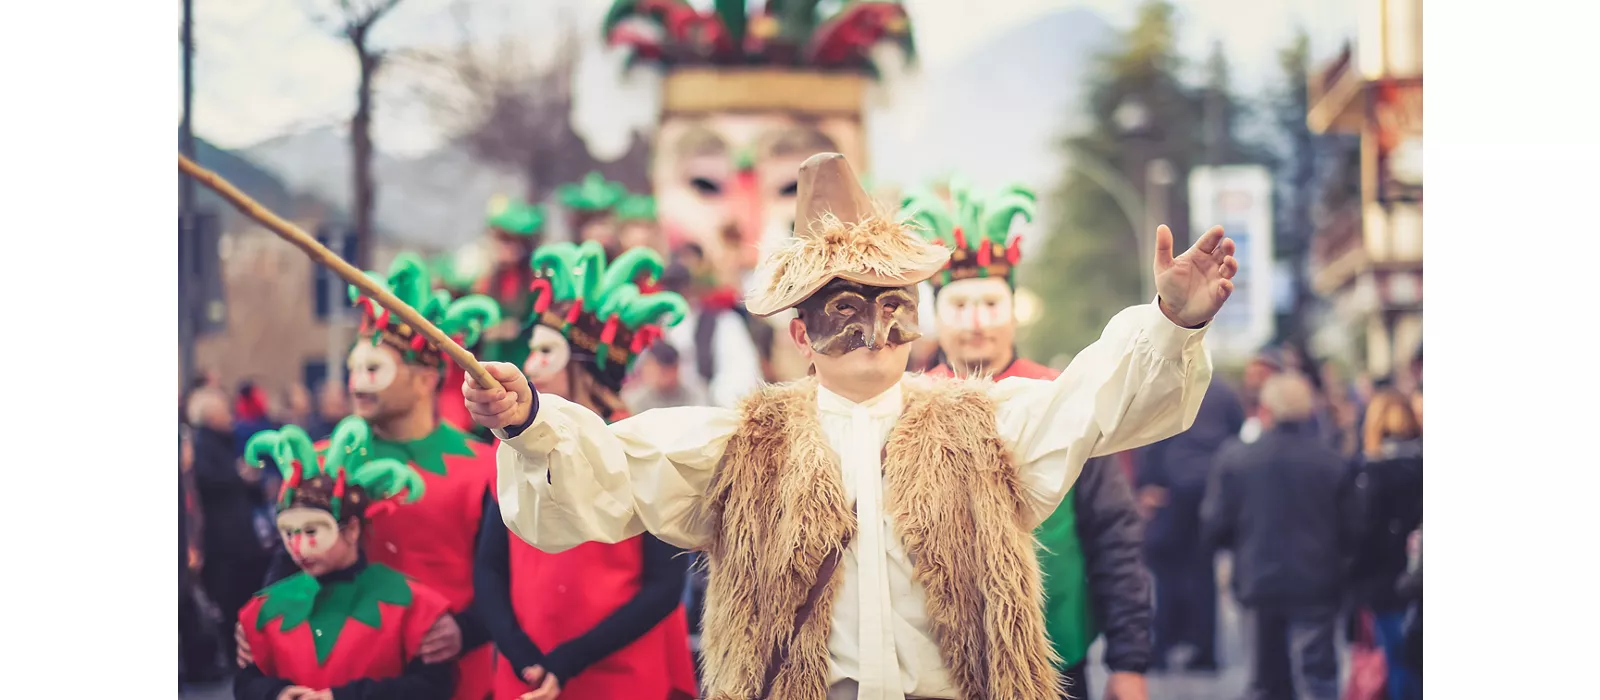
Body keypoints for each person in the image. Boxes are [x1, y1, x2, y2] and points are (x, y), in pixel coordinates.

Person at [465, 152, 1233, 700]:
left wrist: (1169, 323)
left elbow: (1092, 402)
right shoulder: (740, 444)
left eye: (893, 305)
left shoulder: (987, 426)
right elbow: (609, 466)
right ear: (801, 335)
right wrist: (529, 420)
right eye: (845, 310)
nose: (875, 331)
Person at [908, 182, 1152, 700]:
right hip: (939, 664)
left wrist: (1129, 661)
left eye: (991, 303)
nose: (977, 323)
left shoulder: (1061, 399)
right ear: (937, 314)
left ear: (1014, 308)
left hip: (1055, 651)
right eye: (960, 305)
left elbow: (1113, 529)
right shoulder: (908, 406)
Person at [241, 254, 504, 700]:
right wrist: (259, 620)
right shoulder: (321, 461)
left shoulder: (484, 466)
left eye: (373, 370)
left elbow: (504, 574)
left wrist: (467, 630)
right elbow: (288, 558)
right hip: (338, 676)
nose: (356, 384)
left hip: (449, 680)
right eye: (352, 369)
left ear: (424, 380)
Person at [476, 241, 698, 700]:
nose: (531, 367)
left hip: (621, 680)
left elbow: (663, 587)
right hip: (527, 679)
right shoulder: (512, 448)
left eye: (547, 353)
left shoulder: (643, 450)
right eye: (531, 350)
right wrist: (524, 658)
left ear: (588, 368)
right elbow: (489, 568)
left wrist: (570, 660)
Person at [234, 420, 455, 700]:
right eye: (289, 533)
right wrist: (277, 694)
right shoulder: (264, 609)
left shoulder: (411, 605)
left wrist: (346, 697)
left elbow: (434, 688)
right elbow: (245, 683)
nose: (298, 546)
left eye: (312, 531)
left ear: (351, 529)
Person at [1201, 372, 1359, 700]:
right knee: (1318, 677)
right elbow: (1353, 529)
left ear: (1265, 410)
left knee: (1264, 681)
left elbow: (1214, 525)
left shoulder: (1236, 459)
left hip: (1259, 580)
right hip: (1317, 581)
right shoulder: (1331, 462)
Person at [1134, 374, 1245, 673]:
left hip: (1172, 490)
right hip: (1210, 488)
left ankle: (1163, 648)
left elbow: (1150, 436)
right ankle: (1205, 651)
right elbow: (1237, 433)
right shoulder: (1224, 391)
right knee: (1203, 572)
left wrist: (1147, 482)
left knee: (1166, 572)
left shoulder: (1166, 385)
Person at [189, 386, 273, 671]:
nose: (230, 416)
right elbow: (207, 482)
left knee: (244, 601)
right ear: (210, 414)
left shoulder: (225, 442)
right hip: (222, 544)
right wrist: (239, 476)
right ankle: (235, 660)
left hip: (240, 541)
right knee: (229, 606)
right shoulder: (202, 443)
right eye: (223, 410)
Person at [1347, 389, 1423, 700]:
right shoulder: (1423, 465)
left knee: (1396, 660)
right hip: (1418, 580)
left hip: (1383, 582)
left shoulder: (1372, 473)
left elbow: (1362, 533)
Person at [622, 341, 710, 412]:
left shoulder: (696, 394)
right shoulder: (635, 400)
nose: (667, 376)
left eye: (669, 370)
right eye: (661, 371)